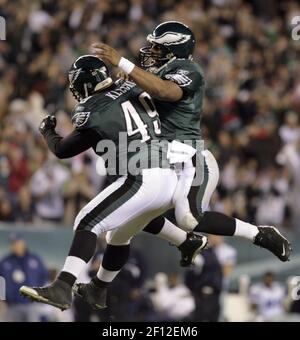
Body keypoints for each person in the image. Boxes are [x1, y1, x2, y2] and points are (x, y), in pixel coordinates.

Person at [91, 20, 291, 266]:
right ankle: (101, 286)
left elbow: (167, 92)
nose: (151, 52)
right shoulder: (152, 75)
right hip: (162, 162)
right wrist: (121, 83)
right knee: (129, 219)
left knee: (188, 218)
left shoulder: (188, 69)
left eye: (158, 48)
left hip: (190, 157)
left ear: (176, 50)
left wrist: (125, 64)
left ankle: (260, 233)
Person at [19, 55, 207, 311]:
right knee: (121, 229)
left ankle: (63, 287)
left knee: (87, 220)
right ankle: (101, 287)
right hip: (168, 173)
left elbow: (62, 150)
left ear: (84, 83)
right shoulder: (134, 85)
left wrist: (47, 131)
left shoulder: (93, 109)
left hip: (143, 174)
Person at [0, 233, 49, 322]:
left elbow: (44, 277)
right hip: (12, 305)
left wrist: (39, 294)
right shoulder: (5, 262)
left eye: (17, 242)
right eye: (13, 243)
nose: (16, 246)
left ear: (23, 243)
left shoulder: (35, 259)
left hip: (32, 304)